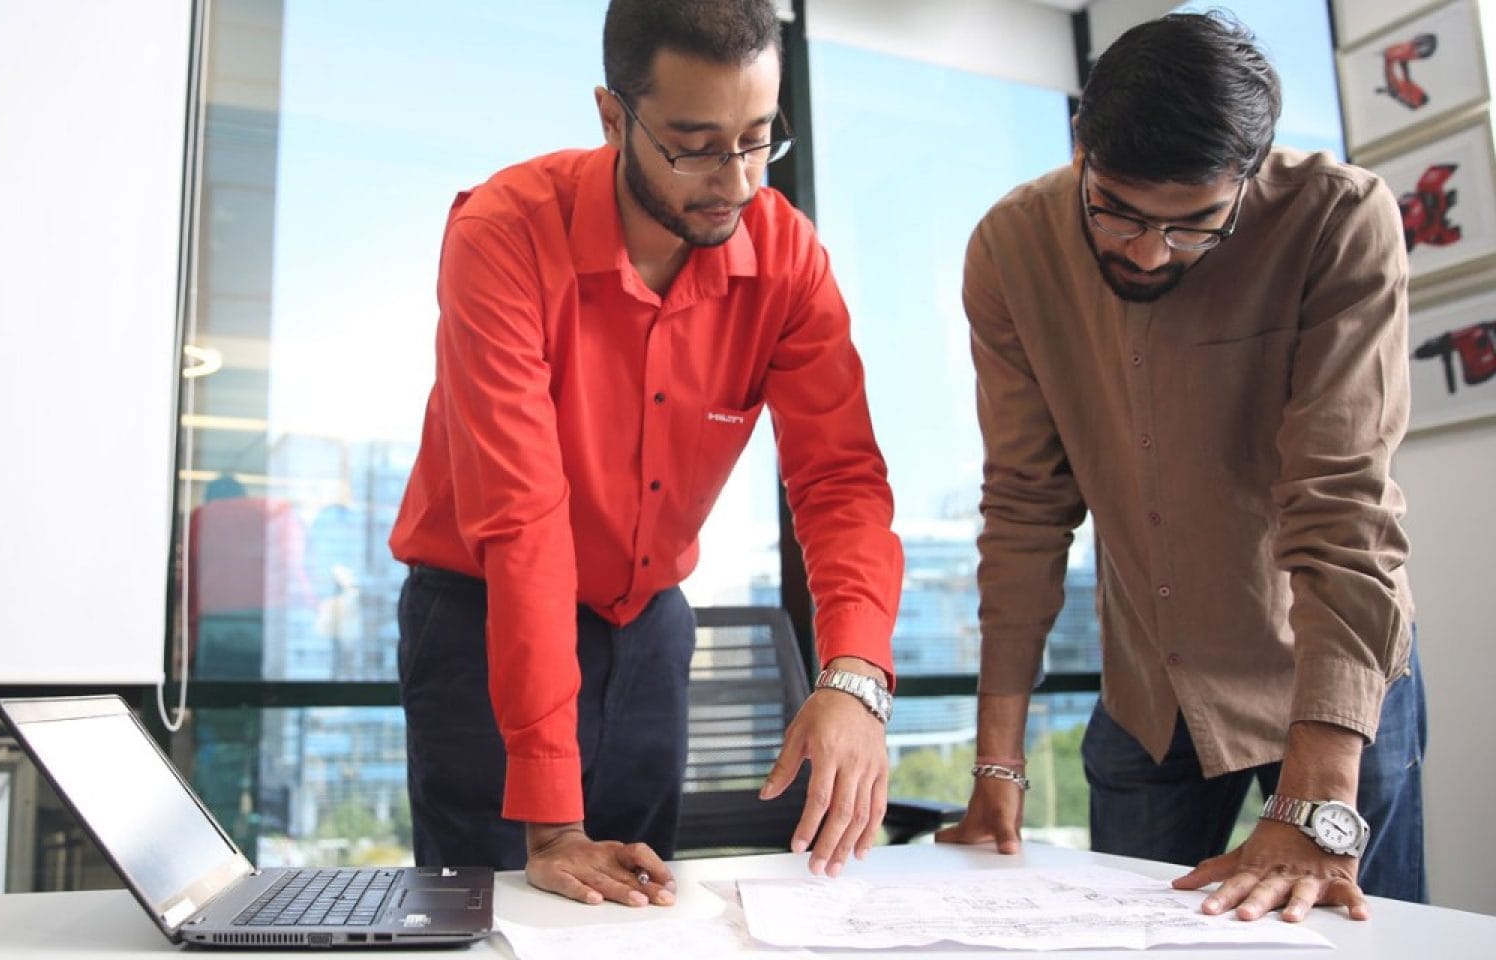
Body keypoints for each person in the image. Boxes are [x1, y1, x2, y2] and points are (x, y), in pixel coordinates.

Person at [388, 0, 903, 907]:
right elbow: (524, 517)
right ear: (612, 116)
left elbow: (840, 479)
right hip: (481, 617)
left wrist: (855, 678)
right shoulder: (503, 232)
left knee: (637, 906)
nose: (735, 181)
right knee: (497, 911)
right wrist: (551, 820)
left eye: (756, 139)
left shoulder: (786, 256)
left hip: (652, 624)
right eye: (695, 144)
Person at [936, 12, 1426, 923]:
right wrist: (996, 766)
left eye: (1195, 226)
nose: (1149, 250)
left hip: (1326, 679)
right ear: (1082, 141)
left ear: (1253, 169)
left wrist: (1316, 807)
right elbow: (1025, 509)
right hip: (1149, 691)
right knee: (1124, 939)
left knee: (1363, 941)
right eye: (1116, 212)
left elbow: (1343, 504)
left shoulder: (1339, 219)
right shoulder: (1010, 248)